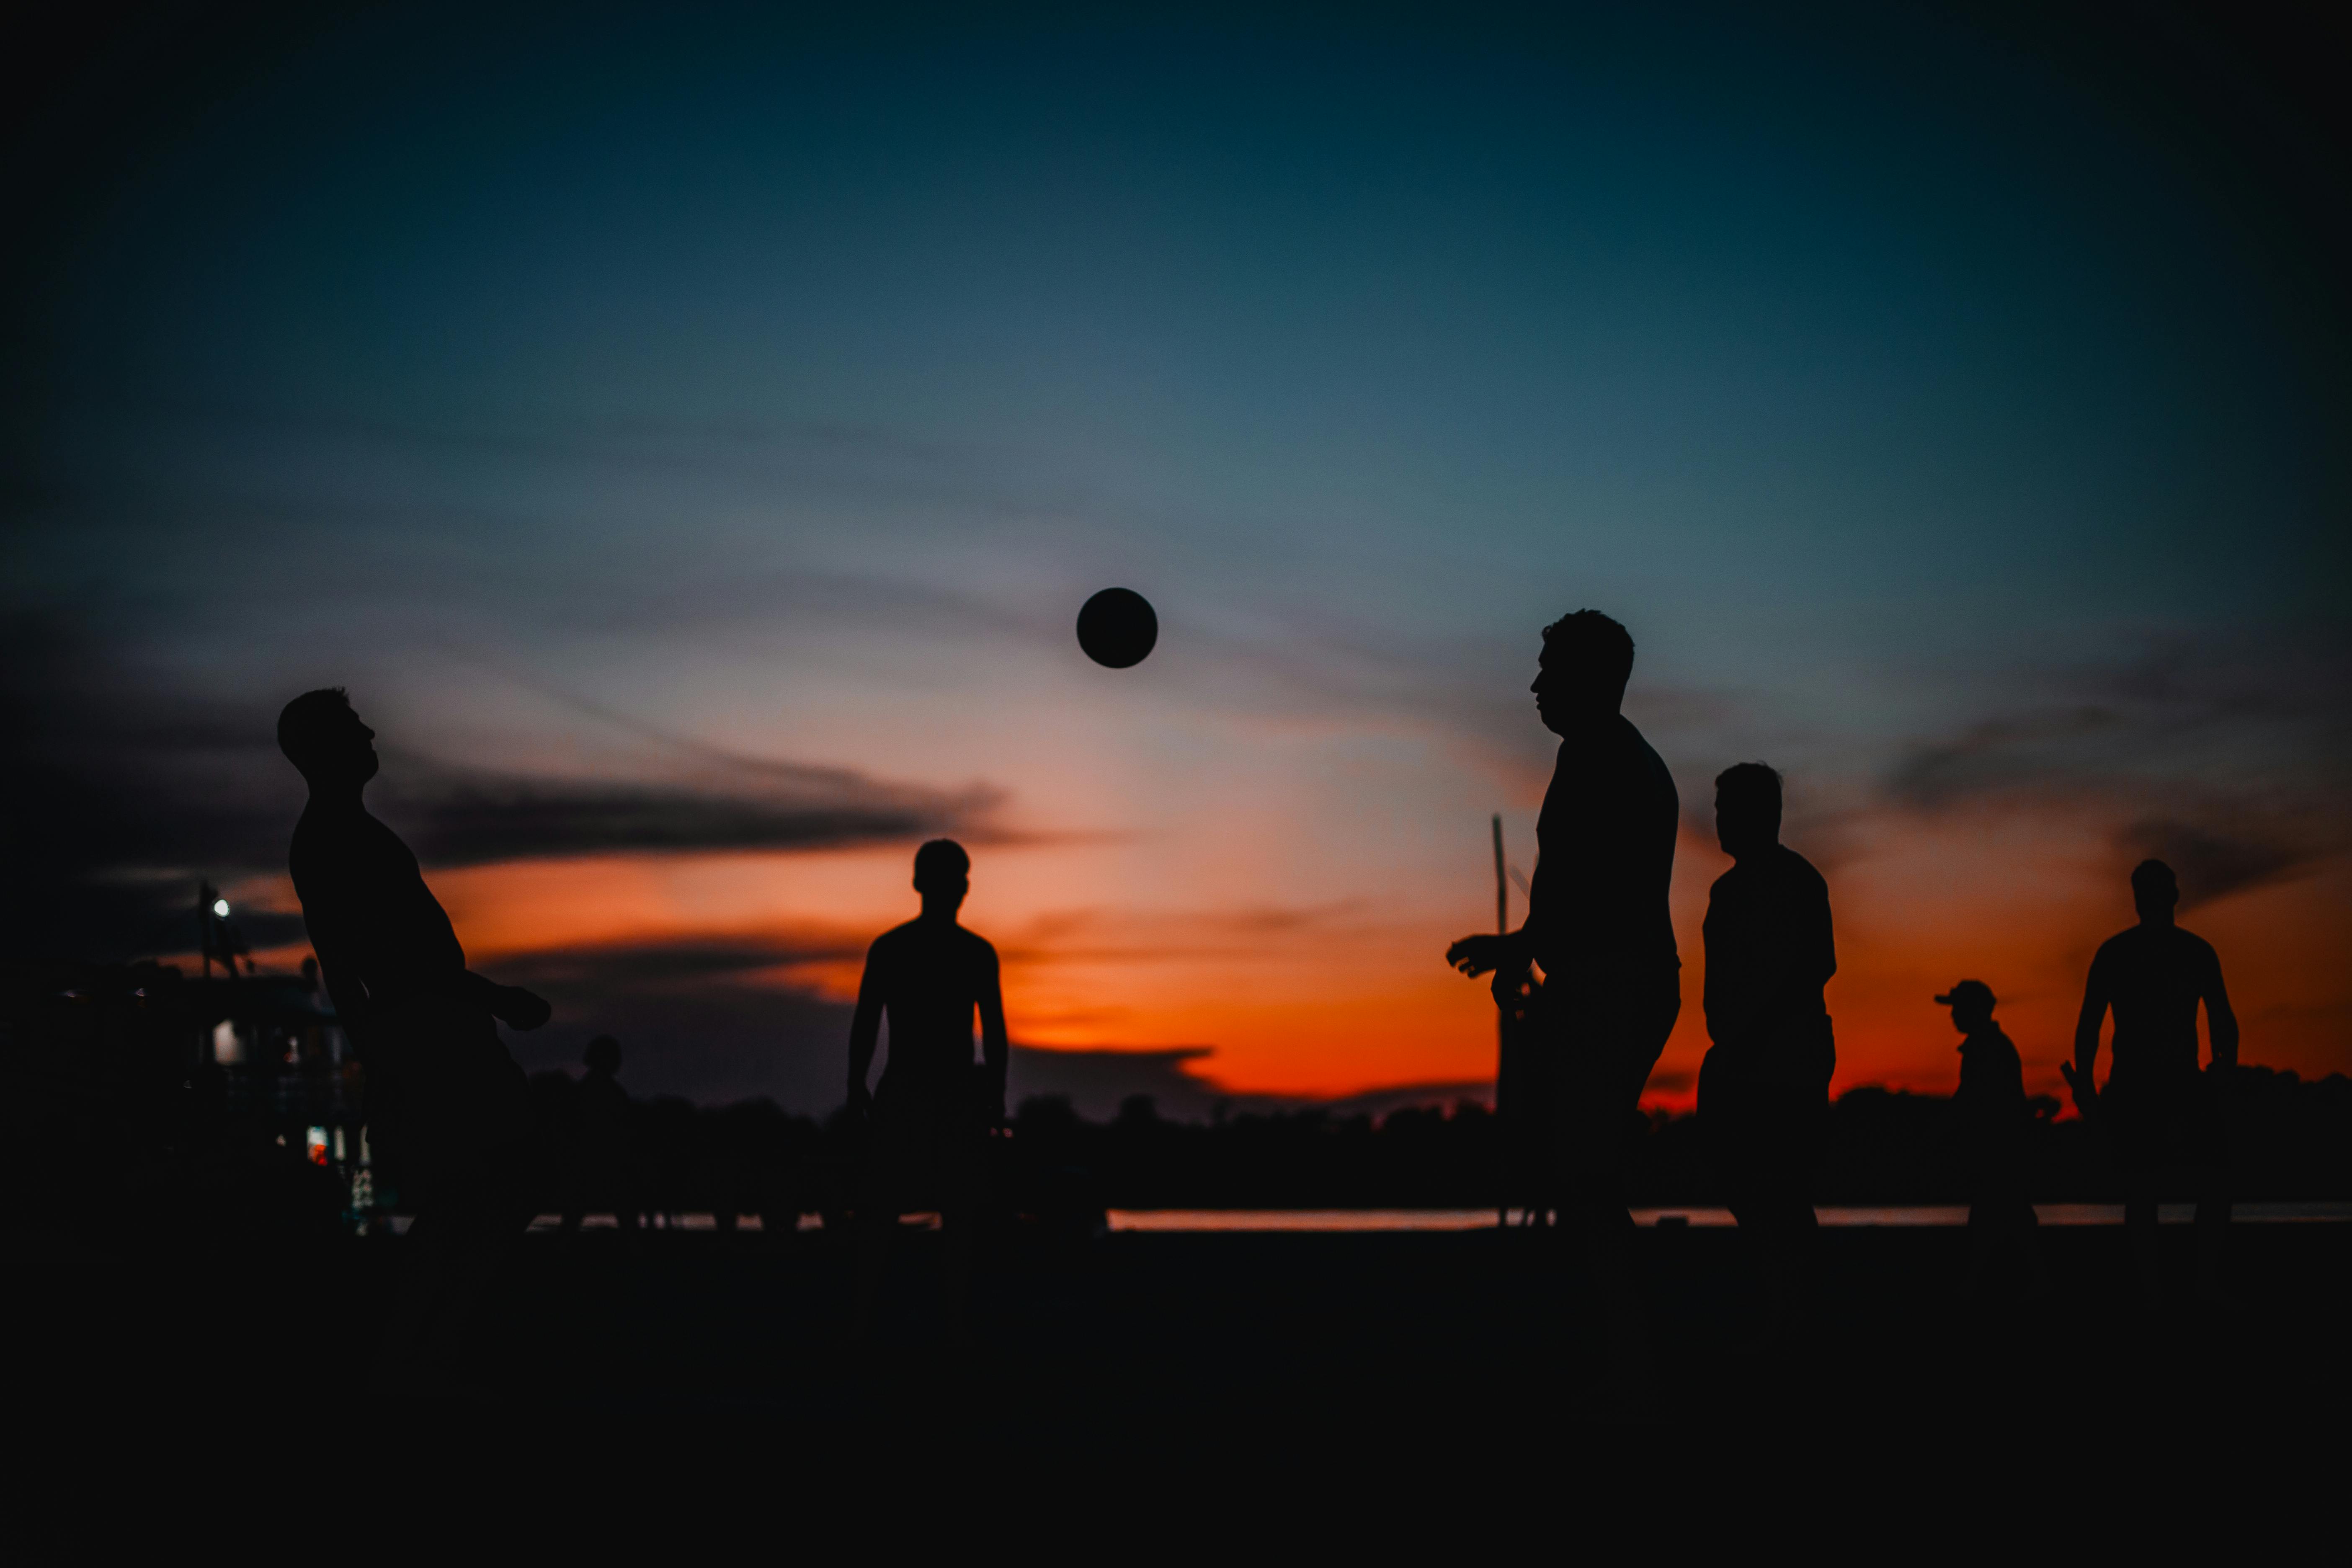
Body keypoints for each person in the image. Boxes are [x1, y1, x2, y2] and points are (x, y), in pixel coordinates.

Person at [278, 687, 550, 1400]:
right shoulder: (336, 837)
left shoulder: (339, 833)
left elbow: (352, 969)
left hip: (430, 1027)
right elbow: (385, 964)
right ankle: (419, 1354)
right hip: (433, 1029)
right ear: (321, 749)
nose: (371, 731)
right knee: (493, 1183)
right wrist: (493, 1001)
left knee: (474, 1191)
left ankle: (420, 1352)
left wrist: (384, 1047)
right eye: (351, 726)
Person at [1446, 609, 1680, 1399]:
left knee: (1585, 1174)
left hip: (1616, 982)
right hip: (1607, 979)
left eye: (1550, 669)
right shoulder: (1597, 754)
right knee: (1580, 1172)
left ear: (1595, 677)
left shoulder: (1604, 758)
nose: (1537, 684)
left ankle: (1630, 1356)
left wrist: (1535, 957)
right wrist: (1525, 952)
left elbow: (1598, 894)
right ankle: (1618, 1344)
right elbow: (1578, 891)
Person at [847, 838, 1009, 1349]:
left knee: (937, 1215)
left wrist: (856, 1087)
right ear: (925, 884)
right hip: (923, 1093)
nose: (955, 888)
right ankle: (888, 1325)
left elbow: (996, 1033)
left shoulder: (911, 949)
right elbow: (867, 1024)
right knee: (897, 1213)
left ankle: (915, 1325)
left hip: (942, 1095)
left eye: (958, 879)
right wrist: (856, 1085)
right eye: (950, 878)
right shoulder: (929, 950)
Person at [1697, 762, 1834, 1347]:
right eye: (1719, 808)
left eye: (1729, 810)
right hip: (1738, 1062)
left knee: (1782, 1191)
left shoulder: (1798, 881)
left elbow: (1814, 967)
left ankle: (1794, 1315)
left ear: (1764, 815)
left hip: (1786, 1063)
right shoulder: (1725, 891)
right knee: (1745, 1188)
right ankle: (1783, 1307)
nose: (1720, 821)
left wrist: (1752, 1034)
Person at [2064, 859, 2238, 1307]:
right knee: (2159, 1189)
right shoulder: (2167, 952)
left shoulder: (2171, 952)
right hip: (2145, 1084)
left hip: (2169, 1081)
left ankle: (2179, 1285)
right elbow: (2089, 1027)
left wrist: (2224, 1070)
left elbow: (2222, 1020)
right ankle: (2169, 1287)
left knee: (2194, 1185)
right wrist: (2084, 1081)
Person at [1937, 980, 2043, 1297]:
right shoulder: (1991, 1046)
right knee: (2008, 1215)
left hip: (1997, 1150)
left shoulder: (1985, 1049)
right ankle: (2019, 1280)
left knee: (2000, 1214)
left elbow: (1975, 1101)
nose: (1954, 1015)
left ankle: (1991, 1283)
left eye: (1958, 1008)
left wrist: (1945, 1129)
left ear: (1976, 1010)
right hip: (2002, 1148)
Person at [563, 1035, 640, 1238]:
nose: (618, 1062)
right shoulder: (606, 1092)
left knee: (574, 1215)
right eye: (614, 1057)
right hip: (600, 1165)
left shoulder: (585, 1091)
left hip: (589, 1165)